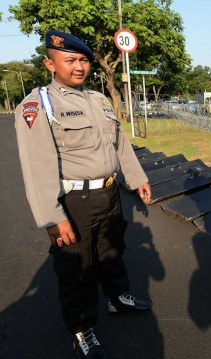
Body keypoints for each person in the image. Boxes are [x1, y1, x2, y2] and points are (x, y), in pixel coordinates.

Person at [14, 30, 153, 359]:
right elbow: (36, 166)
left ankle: (118, 299)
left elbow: (120, 144)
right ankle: (82, 329)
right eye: (70, 60)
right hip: (74, 202)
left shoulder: (99, 100)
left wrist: (136, 178)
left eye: (84, 60)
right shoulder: (38, 105)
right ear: (51, 64)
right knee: (77, 268)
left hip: (109, 194)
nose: (79, 66)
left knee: (112, 251)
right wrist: (52, 216)